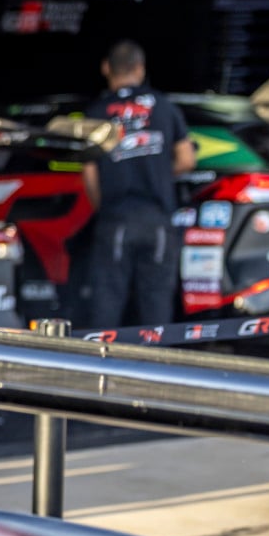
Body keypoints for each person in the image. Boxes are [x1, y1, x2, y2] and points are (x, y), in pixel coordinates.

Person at [81, 40, 196, 328]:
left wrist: (103, 210)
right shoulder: (164, 107)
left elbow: (90, 173)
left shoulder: (96, 112)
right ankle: (154, 357)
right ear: (140, 69)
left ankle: (99, 357)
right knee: (156, 305)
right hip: (157, 219)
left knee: (107, 301)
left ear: (106, 68)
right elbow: (186, 159)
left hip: (115, 218)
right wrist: (158, 172)